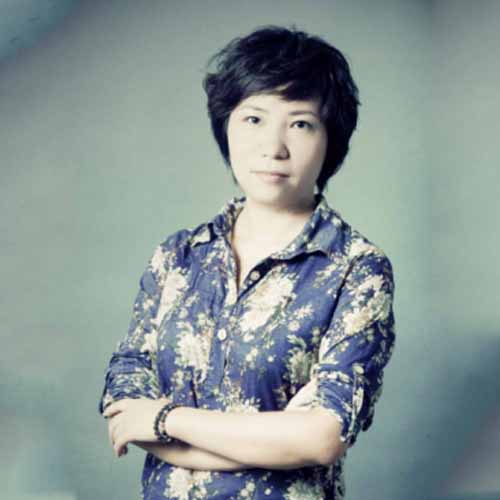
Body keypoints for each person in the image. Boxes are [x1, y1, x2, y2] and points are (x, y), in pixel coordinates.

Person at [98, 24, 396, 500]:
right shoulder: (177, 257)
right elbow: (124, 404)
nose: (273, 147)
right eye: (254, 119)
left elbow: (323, 436)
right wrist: (276, 440)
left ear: (331, 140)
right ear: (227, 126)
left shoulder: (356, 269)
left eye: (301, 123)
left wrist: (165, 419)